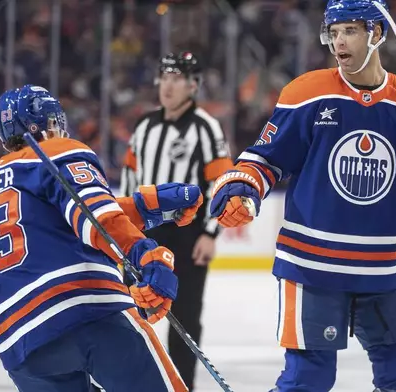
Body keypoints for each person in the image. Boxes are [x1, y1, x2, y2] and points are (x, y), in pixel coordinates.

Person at [209, 0, 396, 391]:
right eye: (334, 32)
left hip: (383, 267)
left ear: (376, 34)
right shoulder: (307, 93)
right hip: (312, 265)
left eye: (350, 31)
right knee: (309, 378)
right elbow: (264, 159)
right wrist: (241, 188)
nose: (339, 42)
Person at [0, 84, 205, 392]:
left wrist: (146, 206)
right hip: (83, 307)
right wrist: (144, 251)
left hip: (18, 341)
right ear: (50, 122)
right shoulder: (57, 150)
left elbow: (67, 217)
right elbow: (94, 217)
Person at [120, 51, 233, 390]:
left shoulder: (206, 127)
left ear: (193, 85)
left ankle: (183, 386)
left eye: (176, 78)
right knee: (130, 308)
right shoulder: (144, 126)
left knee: (184, 316)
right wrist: (123, 225)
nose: (167, 85)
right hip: (144, 234)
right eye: (164, 77)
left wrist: (211, 233)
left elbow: (220, 182)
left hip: (188, 234)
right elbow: (129, 176)